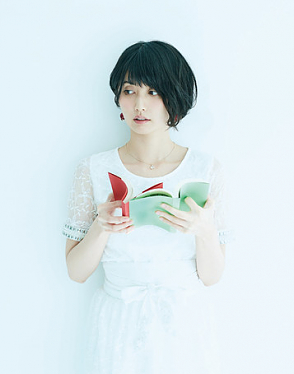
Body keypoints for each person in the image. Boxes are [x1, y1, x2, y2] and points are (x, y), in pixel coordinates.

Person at [62, 40, 235, 374]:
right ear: (118, 98)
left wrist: (204, 231)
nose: (140, 105)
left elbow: (212, 277)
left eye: (153, 92)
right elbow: (76, 271)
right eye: (130, 91)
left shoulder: (205, 170)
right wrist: (101, 227)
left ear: (175, 97)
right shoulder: (93, 170)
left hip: (184, 327)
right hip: (118, 324)